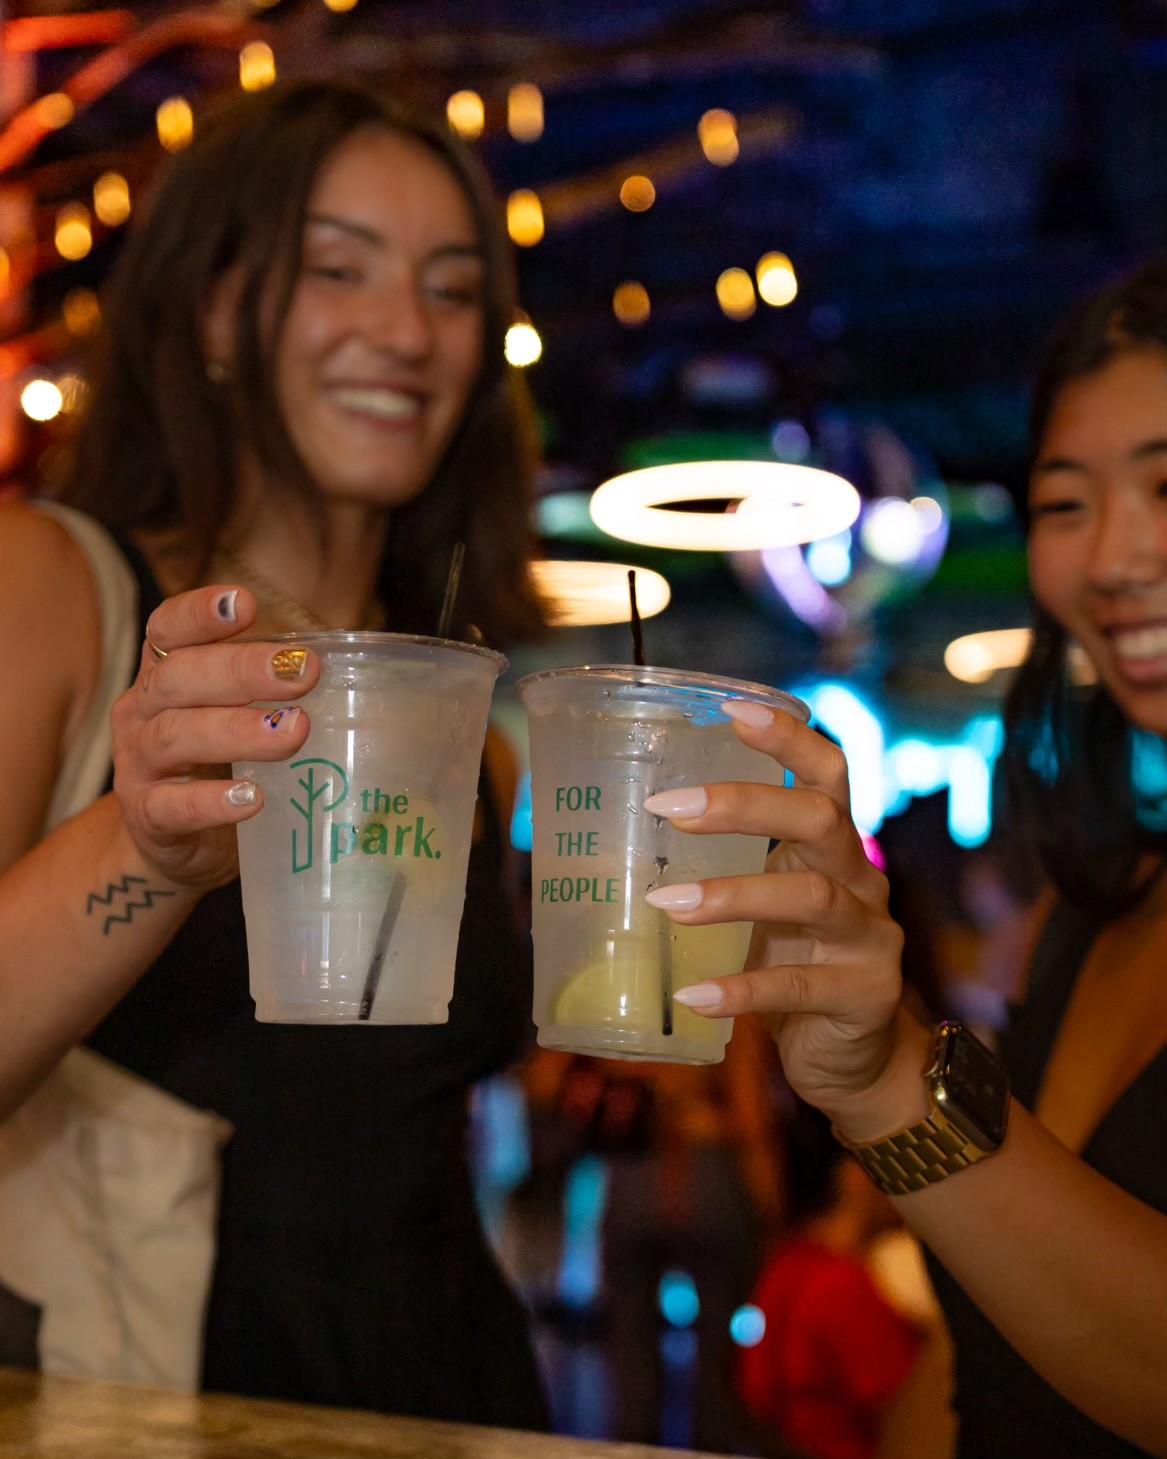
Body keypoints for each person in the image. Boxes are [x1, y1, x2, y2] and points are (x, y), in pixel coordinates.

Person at [0, 76, 550, 1426]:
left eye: (451, 288)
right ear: (211, 313)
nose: (404, 332)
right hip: (147, 1386)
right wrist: (139, 841)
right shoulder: (59, 586)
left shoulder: (459, 716)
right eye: (335, 270)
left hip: (443, 1389)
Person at [637, 256, 1167, 1458]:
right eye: (1068, 503)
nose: (1118, 559)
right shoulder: (1103, 894)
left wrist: (891, 1078)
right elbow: (994, 1343)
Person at [736, 1098, 922, 1459]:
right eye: (891, 1162)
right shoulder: (842, 1287)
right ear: (854, 1177)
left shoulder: (786, 1263)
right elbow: (905, 1401)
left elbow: (752, 1388)